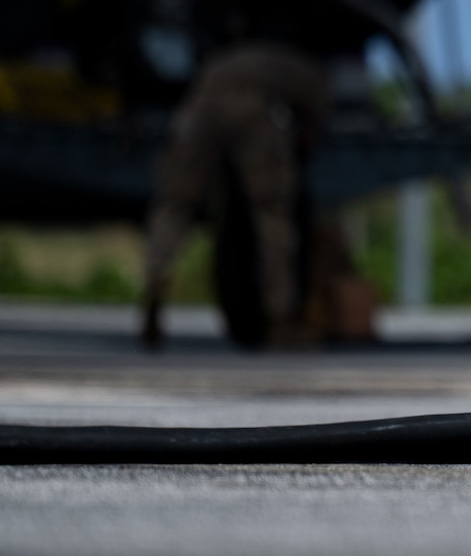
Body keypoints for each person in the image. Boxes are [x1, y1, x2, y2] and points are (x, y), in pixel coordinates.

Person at [140, 41, 332, 348]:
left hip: (200, 106)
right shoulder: (311, 77)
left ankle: (154, 283)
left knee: (175, 205)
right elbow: (312, 127)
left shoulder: (224, 58)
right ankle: (279, 317)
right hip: (250, 106)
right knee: (272, 212)